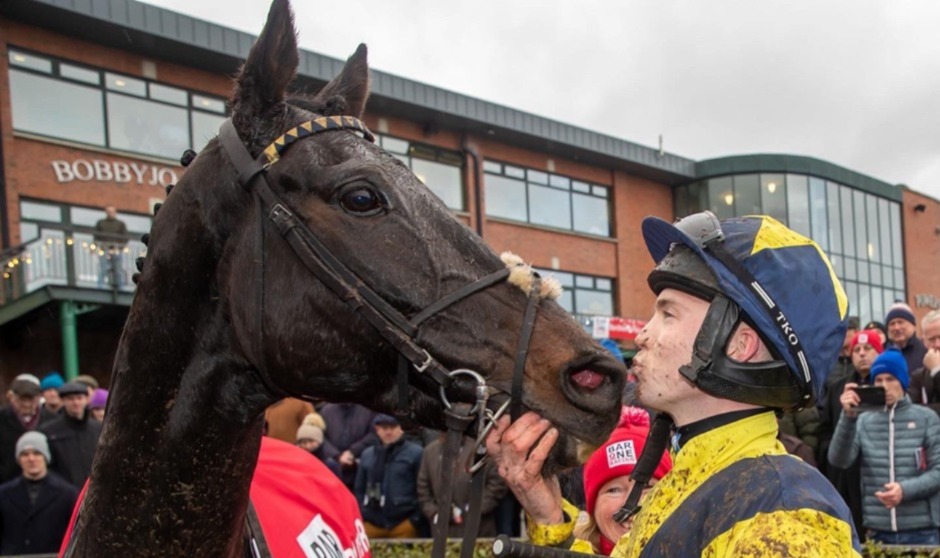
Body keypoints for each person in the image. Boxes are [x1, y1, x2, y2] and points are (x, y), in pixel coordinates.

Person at [487, 211, 860, 556]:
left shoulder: (783, 516)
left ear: (738, 344)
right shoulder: (688, 483)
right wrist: (551, 516)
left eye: (668, 313)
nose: (642, 335)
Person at [828, 349, 940, 545]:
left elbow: (938, 472)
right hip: (878, 530)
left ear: (903, 383)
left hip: (922, 530)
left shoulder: (926, 418)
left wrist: (904, 490)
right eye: (878, 380)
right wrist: (848, 417)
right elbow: (839, 460)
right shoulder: (863, 420)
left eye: (890, 379)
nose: (884, 386)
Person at [568, 407, 671, 555]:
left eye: (647, 487)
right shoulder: (560, 550)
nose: (631, 503)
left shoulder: (703, 546)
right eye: (614, 490)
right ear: (593, 507)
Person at [821, 329, 884, 536]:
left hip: (878, 471)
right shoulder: (838, 387)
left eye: (868, 348)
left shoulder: (887, 385)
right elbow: (825, 428)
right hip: (845, 474)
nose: (862, 353)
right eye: (857, 349)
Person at [417, 430, 508, 539]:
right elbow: (423, 489)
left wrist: (474, 509)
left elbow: (496, 484)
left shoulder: (480, 450)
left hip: (479, 528)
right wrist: (435, 513)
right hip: (442, 530)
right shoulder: (430, 452)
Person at [0, 431, 78, 555]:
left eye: (37, 453)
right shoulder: (4, 494)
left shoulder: (67, 494)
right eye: (25, 454)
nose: (31, 459)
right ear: (19, 459)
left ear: (45, 456)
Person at [353, 414, 423, 539]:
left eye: (393, 427)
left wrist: (414, 520)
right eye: (385, 428)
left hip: (403, 522)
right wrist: (363, 514)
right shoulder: (367, 455)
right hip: (372, 522)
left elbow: (423, 488)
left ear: (401, 428)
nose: (389, 432)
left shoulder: (416, 454)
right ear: (377, 429)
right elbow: (359, 488)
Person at [40, 381, 102, 487]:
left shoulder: (98, 428)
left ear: (87, 400)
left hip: (94, 491)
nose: (76, 402)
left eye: (79, 398)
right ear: (63, 401)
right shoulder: (49, 431)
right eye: (71, 399)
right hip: (63, 492)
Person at [0, 375, 57, 483]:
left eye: (31, 399)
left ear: (39, 398)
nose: (26, 404)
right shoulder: (2, 420)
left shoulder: (52, 421)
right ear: (12, 397)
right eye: (22, 399)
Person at [319, 403, 379, 490]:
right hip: (332, 470)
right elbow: (320, 436)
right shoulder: (326, 411)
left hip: (360, 469)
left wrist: (352, 451)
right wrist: (337, 455)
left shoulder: (369, 410)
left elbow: (374, 434)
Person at [907, 309, 940, 415]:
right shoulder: (918, 376)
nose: (937, 344)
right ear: (924, 342)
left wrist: (937, 370)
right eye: (931, 339)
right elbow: (910, 411)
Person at [885, 302, 928, 379]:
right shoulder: (883, 353)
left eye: (901, 322)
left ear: (913, 326)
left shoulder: (926, 350)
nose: (896, 328)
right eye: (892, 324)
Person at [295, 412, 340, 477]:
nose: (308, 446)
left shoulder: (330, 464)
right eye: (304, 442)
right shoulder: (297, 463)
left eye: (311, 441)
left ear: (319, 441)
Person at [93, 205, 128, 289]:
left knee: (118, 270)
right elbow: (96, 235)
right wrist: (99, 245)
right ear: (106, 212)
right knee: (103, 269)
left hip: (116, 249)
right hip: (104, 249)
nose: (110, 213)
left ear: (115, 213)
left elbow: (125, 236)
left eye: (112, 211)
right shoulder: (101, 223)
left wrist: (120, 247)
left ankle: (121, 287)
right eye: (108, 211)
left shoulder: (120, 224)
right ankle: (100, 287)